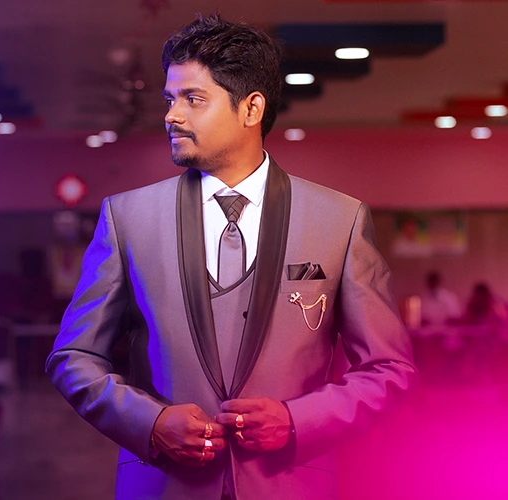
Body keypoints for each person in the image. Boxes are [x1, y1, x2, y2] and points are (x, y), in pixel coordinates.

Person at [46, 15, 416, 500]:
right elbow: (73, 356)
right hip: (164, 485)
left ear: (251, 108)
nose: (172, 116)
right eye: (170, 99)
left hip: (290, 485)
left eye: (193, 99)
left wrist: (295, 421)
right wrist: (150, 423)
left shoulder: (339, 220)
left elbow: (389, 369)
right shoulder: (128, 217)